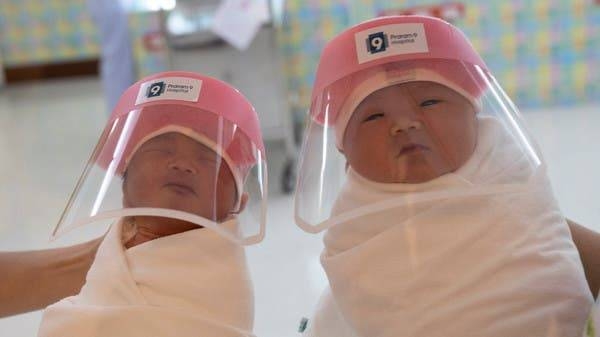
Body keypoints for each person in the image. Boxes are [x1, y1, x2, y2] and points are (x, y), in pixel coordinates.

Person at [294, 15, 594, 336]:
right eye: (374, 116)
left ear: (474, 116)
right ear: (345, 154)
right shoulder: (356, 230)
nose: (405, 123)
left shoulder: (508, 176)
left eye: (430, 101)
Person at [35, 71, 268, 337]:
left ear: (238, 204)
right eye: (162, 151)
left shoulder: (222, 279)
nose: (182, 164)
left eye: (208, 160)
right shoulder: (111, 258)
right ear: (124, 189)